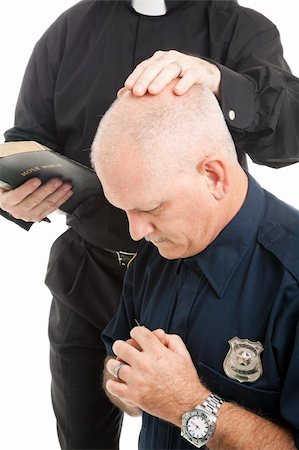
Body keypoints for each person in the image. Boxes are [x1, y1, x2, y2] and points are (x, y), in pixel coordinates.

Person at [1, 1, 299, 448]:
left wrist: (221, 83)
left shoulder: (240, 27)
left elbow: (289, 138)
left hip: (200, 271)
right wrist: (16, 199)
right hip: (88, 275)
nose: (136, 226)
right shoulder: (68, 32)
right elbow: (28, 138)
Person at [91, 83, 299, 450]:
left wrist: (187, 404)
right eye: (124, 209)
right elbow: (116, 363)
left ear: (214, 176)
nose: (136, 232)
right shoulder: (159, 250)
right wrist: (125, 376)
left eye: (152, 208)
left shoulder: (291, 279)